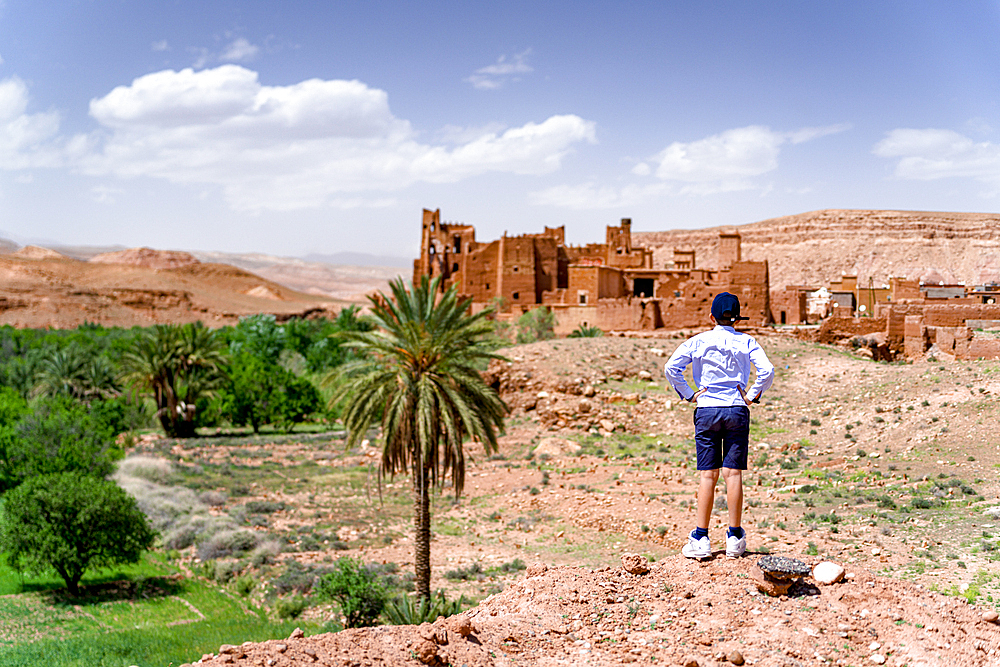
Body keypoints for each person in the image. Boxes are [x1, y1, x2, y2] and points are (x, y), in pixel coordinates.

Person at [663, 292, 774, 560]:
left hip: (707, 410)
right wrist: (752, 394)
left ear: (711, 317)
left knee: (707, 475)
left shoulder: (698, 341)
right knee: (733, 474)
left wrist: (689, 393)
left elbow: (671, 368)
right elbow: (767, 371)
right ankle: (735, 537)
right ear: (737, 318)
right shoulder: (747, 342)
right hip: (736, 407)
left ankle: (701, 538)